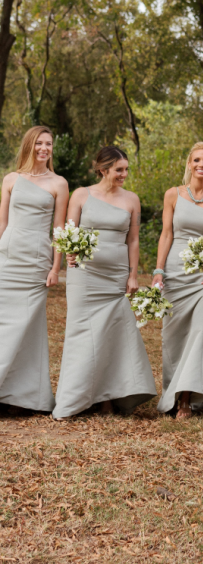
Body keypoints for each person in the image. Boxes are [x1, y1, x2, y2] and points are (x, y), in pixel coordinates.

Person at [53, 146, 156, 419]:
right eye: (119, 169)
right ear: (103, 169)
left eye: (126, 169)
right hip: (85, 276)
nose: (124, 174)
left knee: (113, 335)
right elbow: (68, 231)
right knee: (83, 335)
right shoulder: (81, 195)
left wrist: (133, 274)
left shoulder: (132, 200)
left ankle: (108, 397)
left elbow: (133, 239)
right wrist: (69, 251)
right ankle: (77, 399)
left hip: (115, 276)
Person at [152, 142, 203, 418]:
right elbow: (166, 235)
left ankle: (186, 398)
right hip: (175, 270)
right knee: (173, 335)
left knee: (199, 333)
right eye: (197, 159)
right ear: (189, 162)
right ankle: (172, 391)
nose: (201, 165)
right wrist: (159, 270)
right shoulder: (173, 194)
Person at [0, 126, 68, 413]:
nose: (44, 148)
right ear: (29, 145)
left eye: (49, 144)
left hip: (37, 261)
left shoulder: (59, 183)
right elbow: (2, 222)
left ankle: (22, 398)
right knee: (4, 325)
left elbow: (60, 229)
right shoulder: (11, 178)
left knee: (27, 327)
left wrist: (56, 267)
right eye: (39, 143)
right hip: (9, 256)